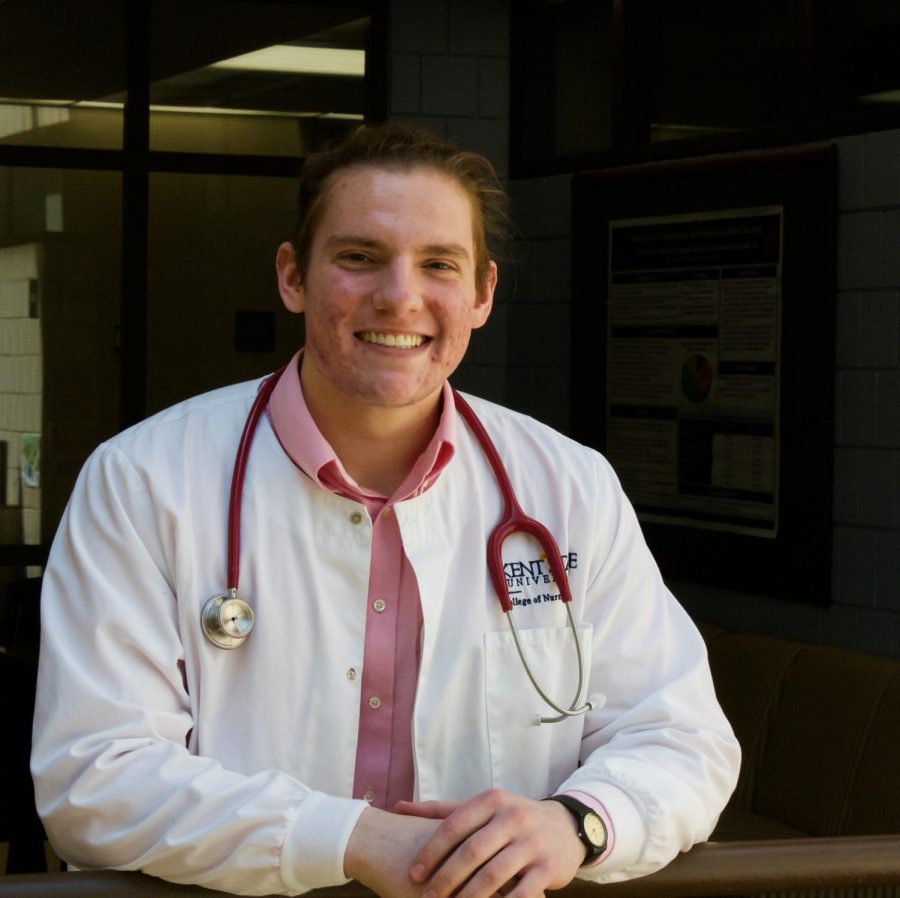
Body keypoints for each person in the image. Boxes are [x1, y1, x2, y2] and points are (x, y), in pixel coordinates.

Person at [31, 124, 740, 897]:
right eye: (360, 257)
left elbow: (682, 738)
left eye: (439, 264)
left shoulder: (569, 488)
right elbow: (93, 778)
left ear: (482, 294)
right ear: (293, 276)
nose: (401, 296)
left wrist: (579, 822)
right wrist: (353, 840)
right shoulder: (143, 481)